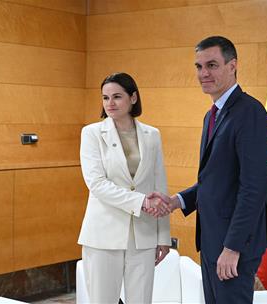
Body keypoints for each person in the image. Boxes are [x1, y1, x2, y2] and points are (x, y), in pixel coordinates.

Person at [151, 36, 267, 304]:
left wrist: (232, 247)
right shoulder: (212, 115)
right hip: (211, 237)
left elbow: (253, 188)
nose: (203, 73)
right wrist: (177, 201)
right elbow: (218, 179)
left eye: (211, 65)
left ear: (232, 66)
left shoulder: (250, 112)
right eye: (198, 66)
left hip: (234, 243)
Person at [78, 72, 171, 304]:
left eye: (117, 97)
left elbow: (159, 184)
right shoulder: (91, 133)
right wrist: (140, 201)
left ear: (133, 98)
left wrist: (163, 236)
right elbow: (97, 184)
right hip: (103, 235)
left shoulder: (152, 135)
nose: (110, 103)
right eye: (105, 97)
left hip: (144, 235)